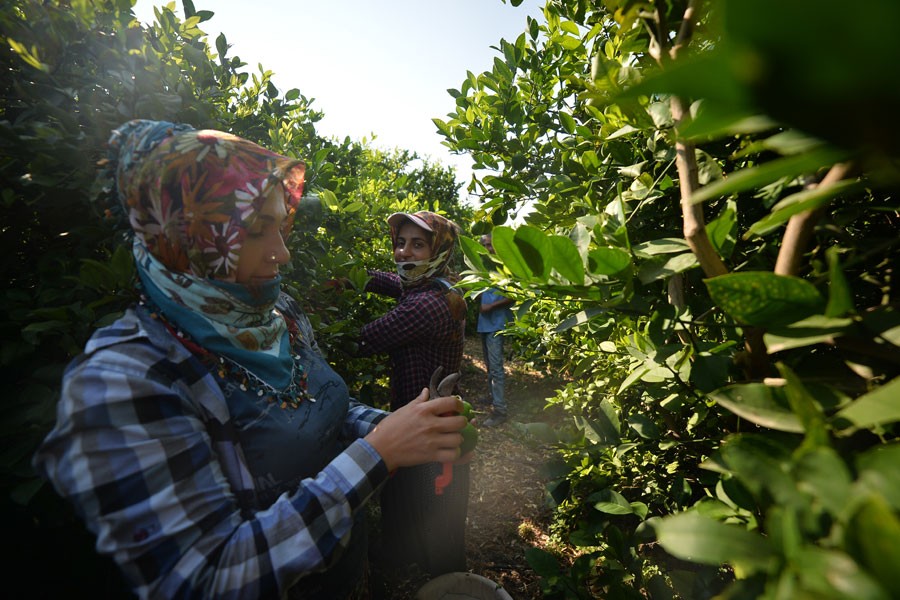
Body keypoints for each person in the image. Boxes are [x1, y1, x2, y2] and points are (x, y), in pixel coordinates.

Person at [32, 120, 468, 600]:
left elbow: (324, 410)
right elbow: (208, 579)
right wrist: (380, 451)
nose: (281, 253)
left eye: (282, 226)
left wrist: (392, 427)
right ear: (192, 234)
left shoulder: (278, 314)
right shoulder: (125, 380)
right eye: (259, 231)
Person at [356, 211, 469, 576]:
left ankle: (443, 580)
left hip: (430, 430)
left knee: (433, 514)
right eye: (400, 243)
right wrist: (357, 279)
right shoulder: (439, 285)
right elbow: (397, 283)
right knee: (413, 500)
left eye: (417, 244)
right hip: (437, 421)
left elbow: (362, 340)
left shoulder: (425, 305)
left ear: (437, 249)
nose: (404, 252)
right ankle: (402, 555)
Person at [477, 234, 515, 427]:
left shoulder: (504, 267)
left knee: (496, 368)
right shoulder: (483, 267)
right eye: (484, 245)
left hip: (497, 324)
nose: (488, 248)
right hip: (485, 323)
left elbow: (514, 295)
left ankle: (500, 410)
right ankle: (493, 397)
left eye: (490, 244)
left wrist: (491, 307)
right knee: (490, 366)